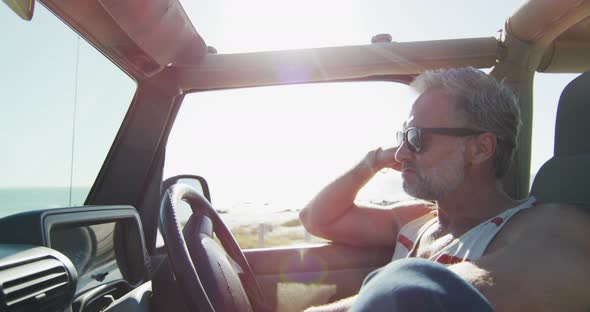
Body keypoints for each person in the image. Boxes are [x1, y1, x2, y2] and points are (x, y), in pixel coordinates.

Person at [299, 67, 590, 311]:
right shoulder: (415, 221)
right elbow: (316, 218)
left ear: (480, 149)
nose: (400, 153)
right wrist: (372, 161)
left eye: (416, 137)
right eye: (402, 136)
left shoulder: (538, 225)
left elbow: (409, 301)